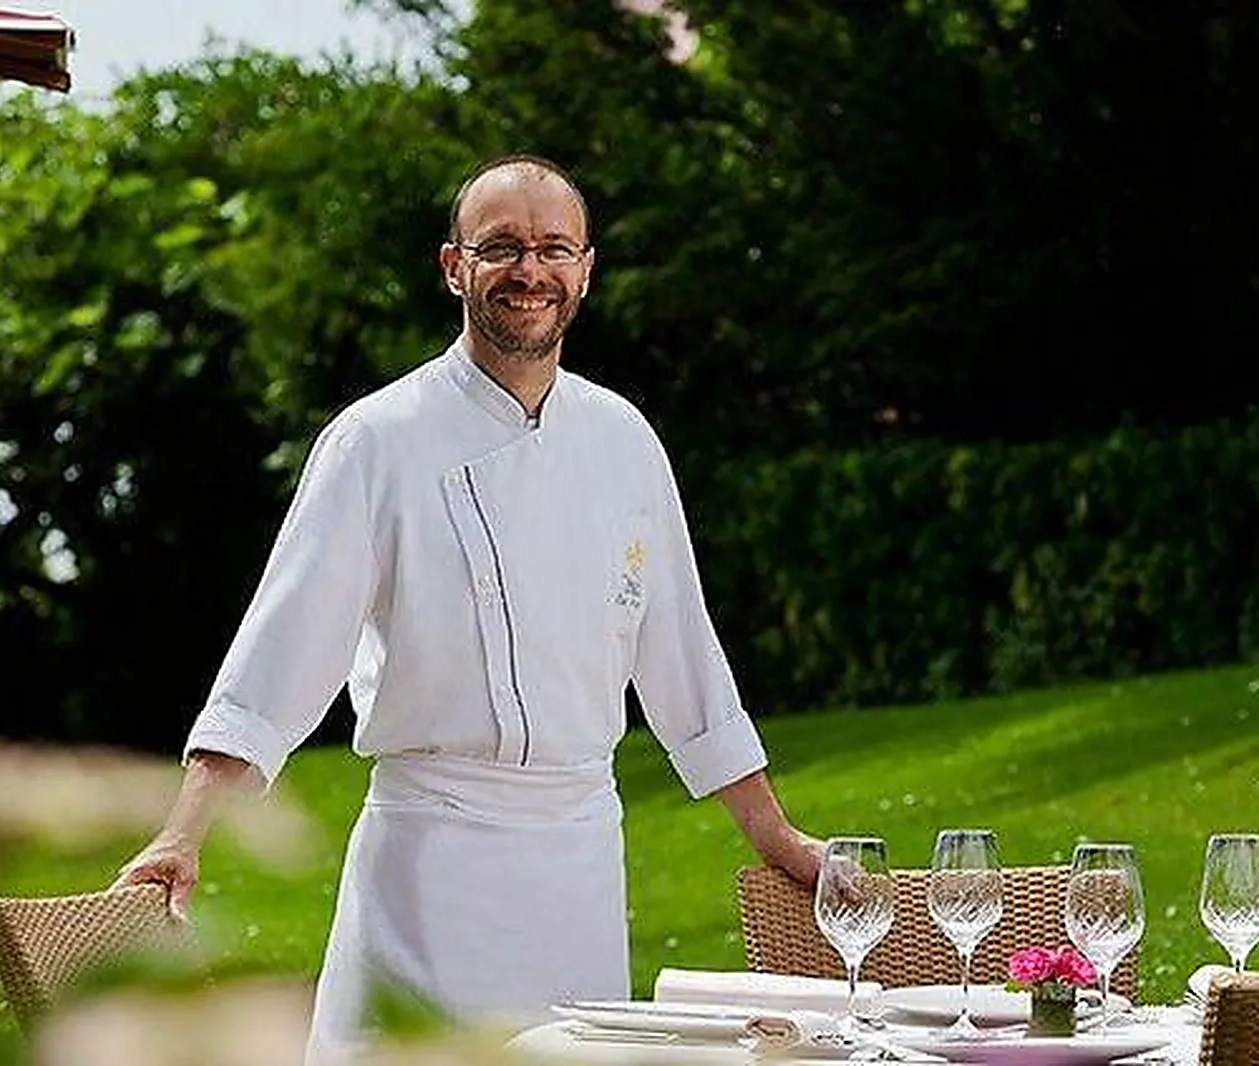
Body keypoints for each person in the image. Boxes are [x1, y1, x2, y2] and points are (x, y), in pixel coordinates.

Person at [112, 154, 821, 1060]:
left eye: (553, 249)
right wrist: (183, 835)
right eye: (502, 249)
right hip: (429, 864)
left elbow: (685, 661)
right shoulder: (376, 440)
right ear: (456, 268)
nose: (531, 272)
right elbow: (280, 660)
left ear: (586, 271)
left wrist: (776, 837)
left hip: (579, 866)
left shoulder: (625, 440)